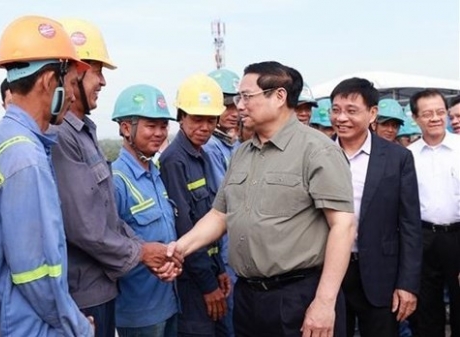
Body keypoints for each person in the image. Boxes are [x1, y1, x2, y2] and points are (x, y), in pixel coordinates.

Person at [169, 61, 356, 337]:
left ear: (279, 97)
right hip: (249, 299)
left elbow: (344, 226)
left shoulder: (316, 151)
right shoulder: (243, 154)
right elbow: (220, 215)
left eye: (246, 97)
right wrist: (179, 248)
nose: (238, 106)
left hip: (298, 297)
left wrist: (325, 303)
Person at [50, 18, 181, 337]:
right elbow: (86, 227)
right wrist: (142, 252)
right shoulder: (63, 137)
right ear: (75, 71)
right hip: (92, 294)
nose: (103, 82)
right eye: (98, 71)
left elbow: (108, 219)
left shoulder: (85, 135)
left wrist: (151, 250)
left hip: (111, 291)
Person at [0, 16, 94, 336]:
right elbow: (37, 275)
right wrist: (78, 325)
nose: (71, 96)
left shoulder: (0, 140)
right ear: (48, 81)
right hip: (29, 326)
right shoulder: (26, 159)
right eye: (70, 84)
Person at [329, 78, 422, 337]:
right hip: (328, 273)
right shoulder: (318, 154)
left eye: (351, 110)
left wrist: (407, 284)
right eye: (336, 110)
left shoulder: (397, 158)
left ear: (372, 113)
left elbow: (410, 224)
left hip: (381, 274)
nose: (341, 118)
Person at [159, 73, 230, 337]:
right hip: (193, 279)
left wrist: (220, 270)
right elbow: (184, 227)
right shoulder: (174, 160)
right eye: (197, 119)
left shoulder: (202, 156)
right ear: (181, 117)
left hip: (211, 271)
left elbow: (212, 216)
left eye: (211, 120)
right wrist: (208, 284)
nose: (205, 127)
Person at [111, 84, 180, 337]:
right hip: (138, 313)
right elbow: (108, 244)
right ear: (126, 128)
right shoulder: (116, 180)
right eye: (151, 126)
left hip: (170, 302)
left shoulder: (156, 174)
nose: (159, 133)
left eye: (163, 126)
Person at [407, 89, 460, 337]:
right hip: (423, 236)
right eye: (427, 114)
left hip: (457, 236)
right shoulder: (407, 156)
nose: (436, 118)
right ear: (416, 118)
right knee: (427, 309)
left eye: (440, 112)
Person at [204, 68, 241, 337]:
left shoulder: (234, 145)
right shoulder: (209, 149)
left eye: (235, 103)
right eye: (225, 105)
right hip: (222, 255)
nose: (232, 111)